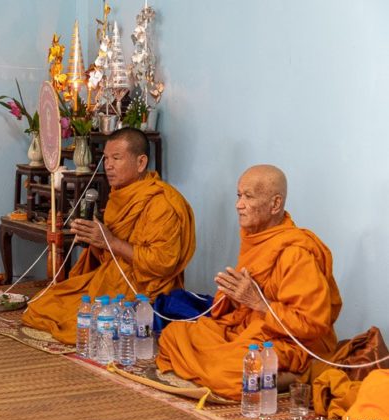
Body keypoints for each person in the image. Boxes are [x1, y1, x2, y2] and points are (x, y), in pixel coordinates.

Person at [156, 164, 343, 400]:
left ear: (275, 204)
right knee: (174, 335)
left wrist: (258, 302)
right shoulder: (257, 237)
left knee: (228, 372)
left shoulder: (297, 252)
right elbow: (235, 311)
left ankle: (297, 375)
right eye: (238, 195)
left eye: (248, 197)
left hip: (287, 342)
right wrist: (232, 294)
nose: (238, 205)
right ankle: (269, 376)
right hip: (249, 330)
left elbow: (312, 325)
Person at [22, 127, 196, 345]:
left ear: (141, 163)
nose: (109, 165)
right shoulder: (119, 196)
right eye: (106, 158)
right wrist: (92, 239)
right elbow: (109, 257)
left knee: (75, 325)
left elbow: (163, 264)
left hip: (145, 291)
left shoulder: (162, 203)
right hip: (112, 279)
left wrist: (110, 241)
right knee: (43, 306)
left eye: (116, 158)